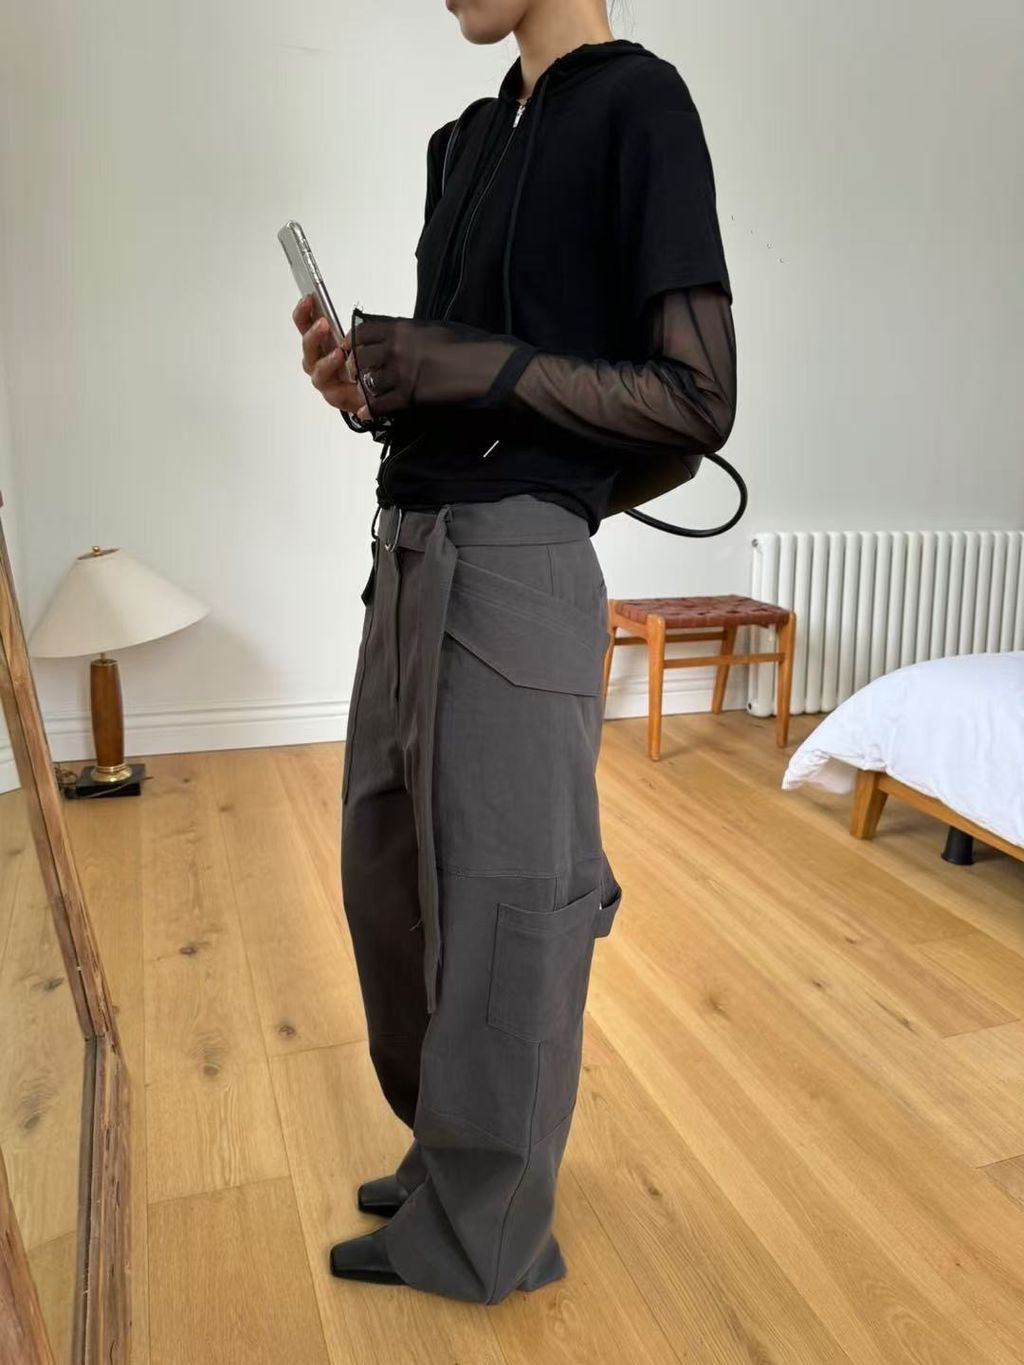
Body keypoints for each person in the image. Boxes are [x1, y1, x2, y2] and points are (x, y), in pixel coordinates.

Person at [291, 0, 736, 1306]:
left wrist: (473, 367)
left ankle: (488, 1232)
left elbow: (696, 395)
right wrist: (372, 388)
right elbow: (459, 384)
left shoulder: (640, 107)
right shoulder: (466, 142)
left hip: (518, 560)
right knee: (388, 878)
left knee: (507, 903)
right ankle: (452, 1154)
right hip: (406, 550)